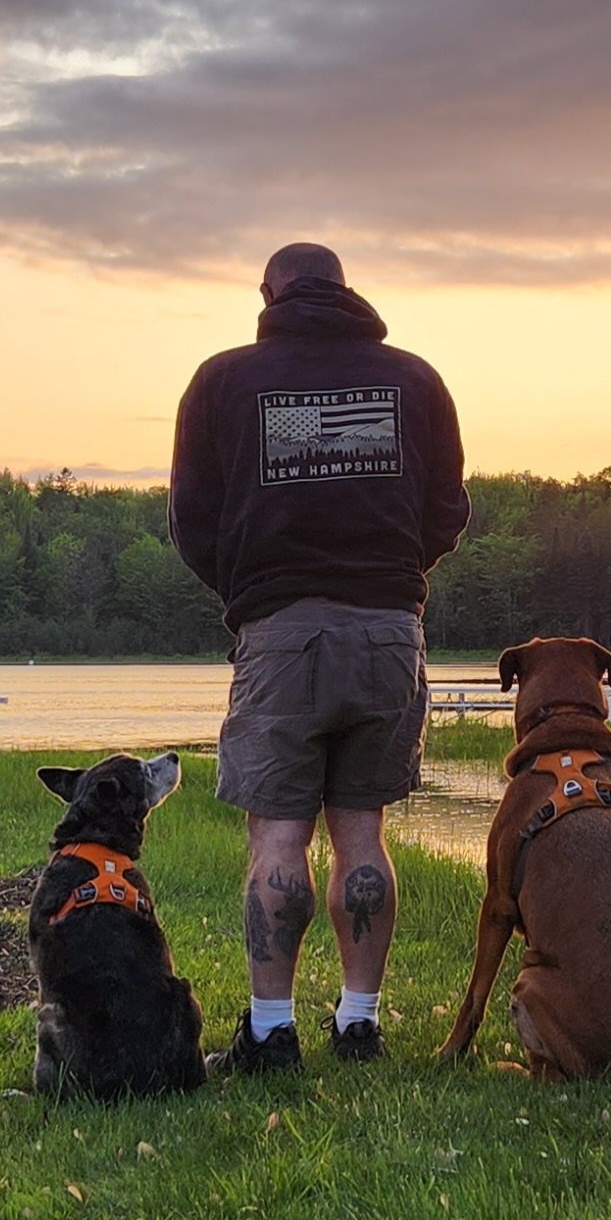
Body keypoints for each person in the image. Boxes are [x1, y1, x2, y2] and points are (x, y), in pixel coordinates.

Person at [170, 241, 469, 1073]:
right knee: (361, 832)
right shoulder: (414, 380)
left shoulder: (222, 381)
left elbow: (192, 521)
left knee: (277, 837)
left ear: (268, 293)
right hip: (387, 632)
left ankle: (271, 1034)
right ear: (346, 289)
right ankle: (359, 1024)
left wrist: (253, 590)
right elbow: (448, 510)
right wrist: (390, 579)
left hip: (280, 630)